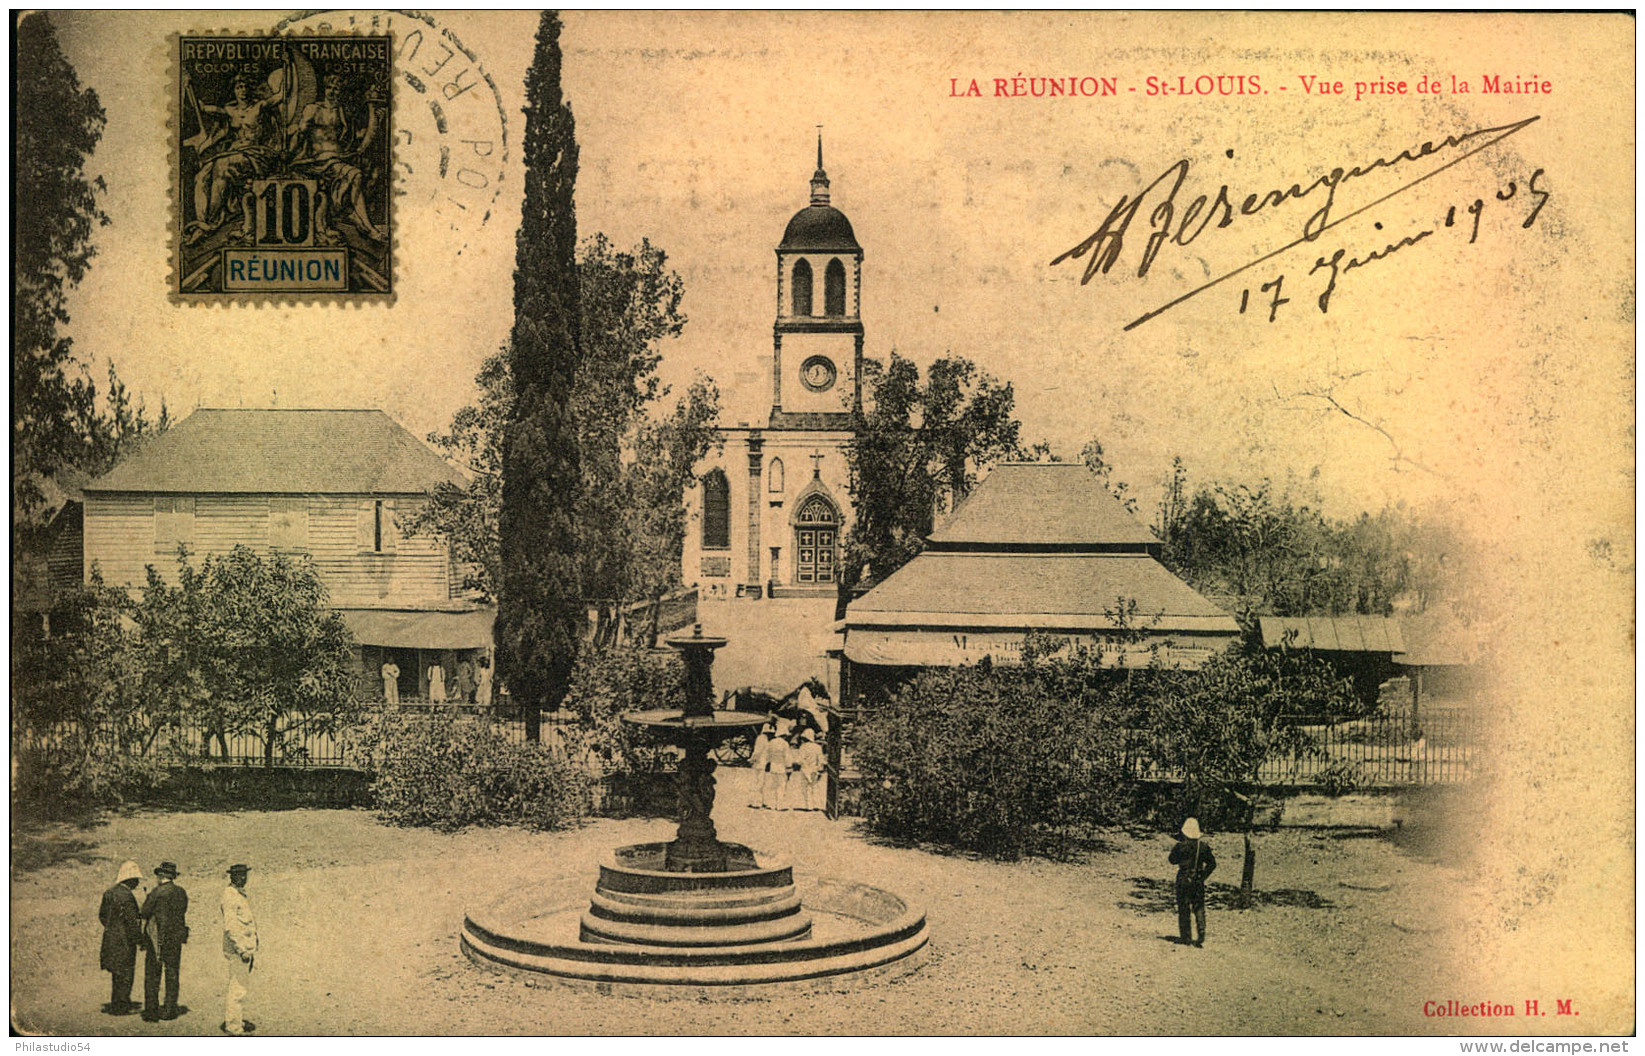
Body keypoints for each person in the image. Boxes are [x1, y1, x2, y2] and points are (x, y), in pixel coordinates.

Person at [288, 74, 385, 242]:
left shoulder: (342, 112)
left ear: (341, 92)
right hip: (317, 161)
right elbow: (300, 134)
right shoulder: (313, 109)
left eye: (336, 89)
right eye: (329, 88)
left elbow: (358, 137)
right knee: (355, 175)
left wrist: (374, 117)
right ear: (324, 90)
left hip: (337, 159)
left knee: (358, 175)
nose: (332, 92)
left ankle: (360, 220)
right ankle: (363, 223)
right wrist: (289, 153)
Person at [140, 861, 189, 1021]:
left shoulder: (156, 892)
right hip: (175, 938)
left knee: (153, 974)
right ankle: (170, 1009)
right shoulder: (181, 892)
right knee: (172, 973)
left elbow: (144, 912)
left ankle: (151, 1011)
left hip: (157, 939)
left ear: (161, 876)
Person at [98, 860, 145, 1015]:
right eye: (136, 879)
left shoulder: (109, 893)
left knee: (116, 973)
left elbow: (102, 916)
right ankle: (122, 1005)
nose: (138, 882)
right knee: (126, 973)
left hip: (110, 938)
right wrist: (139, 939)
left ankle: (117, 1002)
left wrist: (112, 928)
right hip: (125, 941)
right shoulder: (127, 897)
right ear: (130, 880)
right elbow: (132, 922)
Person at [220, 864, 258, 1035]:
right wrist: (242, 949)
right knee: (237, 988)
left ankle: (237, 1020)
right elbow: (231, 927)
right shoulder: (230, 896)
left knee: (240, 988)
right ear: (232, 877)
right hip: (239, 950)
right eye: (239, 875)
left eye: (244, 875)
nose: (243, 878)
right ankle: (234, 1026)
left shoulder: (238, 894)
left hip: (246, 948)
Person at [1168, 818, 1217, 947]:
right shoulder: (1203, 847)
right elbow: (1212, 864)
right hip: (1197, 879)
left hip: (1183, 878)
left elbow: (1171, 860)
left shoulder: (1180, 846)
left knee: (1184, 907)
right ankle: (1201, 932)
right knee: (1199, 906)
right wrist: (1202, 877)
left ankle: (1186, 937)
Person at [793, 729, 826, 811]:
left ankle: (809, 806)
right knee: (815, 787)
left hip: (805, 769)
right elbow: (821, 760)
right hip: (814, 769)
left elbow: (799, 760)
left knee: (806, 788)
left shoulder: (803, 747)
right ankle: (817, 805)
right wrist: (819, 768)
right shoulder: (818, 747)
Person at [761, 725, 791, 810]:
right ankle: (779, 805)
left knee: (773, 785)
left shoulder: (771, 742)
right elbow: (787, 756)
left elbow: (767, 754)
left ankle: (770, 804)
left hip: (773, 766)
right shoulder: (785, 744)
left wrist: (767, 763)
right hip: (781, 766)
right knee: (781, 786)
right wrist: (789, 766)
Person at [748, 723, 776, 808]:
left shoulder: (760, 738)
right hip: (763, 763)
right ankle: (761, 801)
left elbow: (757, 751)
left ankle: (756, 802)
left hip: (758, 763)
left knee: (756, 782)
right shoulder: (768, 740)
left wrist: (752, 759)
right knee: (761, 783)